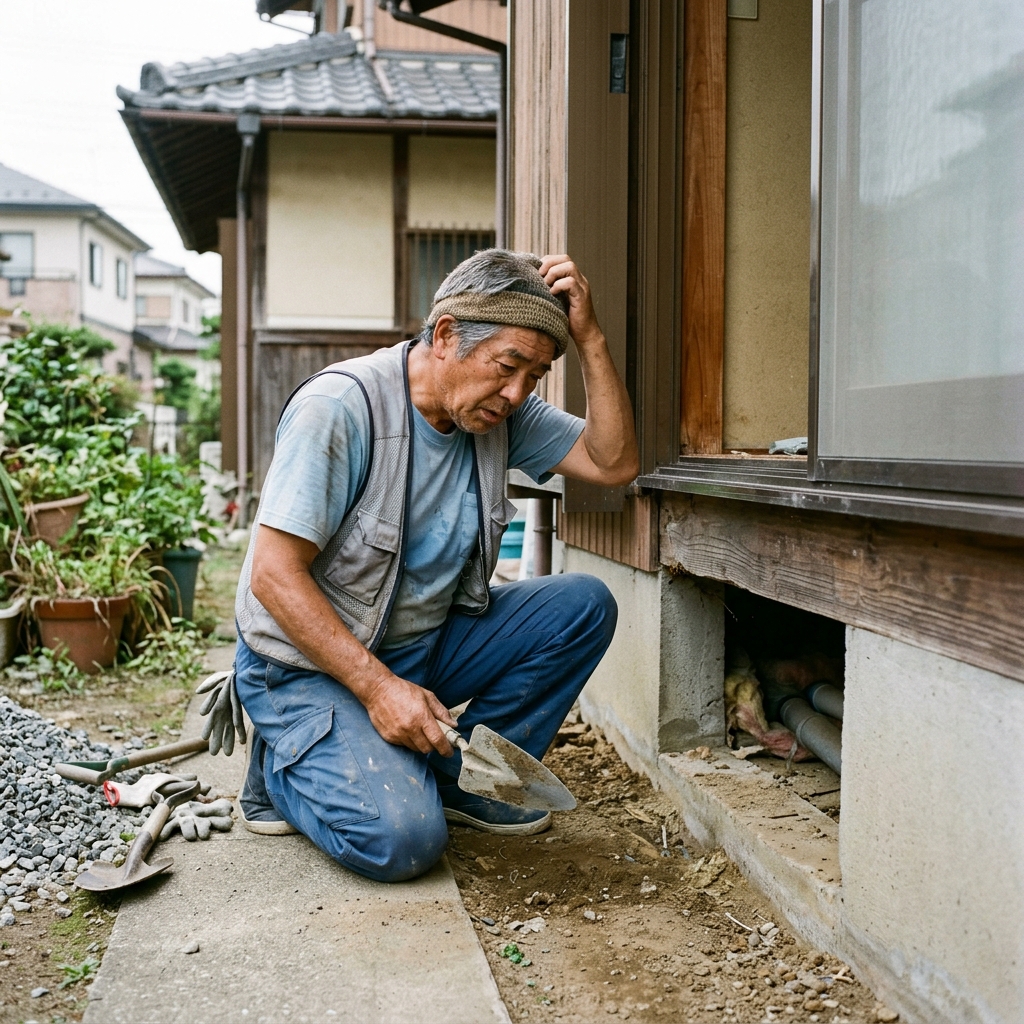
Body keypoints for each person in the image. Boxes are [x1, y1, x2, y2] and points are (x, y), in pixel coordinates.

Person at [232, 249, 639, 882]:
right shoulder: (341, 408)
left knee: (582, 606)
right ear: (446, 335)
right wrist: (378, 689)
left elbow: (613, 463)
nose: (516, 394)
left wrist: (590, 339)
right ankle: (280, 773)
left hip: (421, 648)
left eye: (535, 376)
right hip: (308, 665)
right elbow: (272, 575)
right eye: (509, 366)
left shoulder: (495, 413)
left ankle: (458, 783)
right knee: (404, 842)